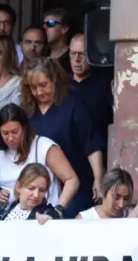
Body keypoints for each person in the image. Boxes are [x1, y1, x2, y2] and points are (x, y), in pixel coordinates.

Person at [21, 57, 104, 216]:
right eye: (33, 87)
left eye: (43, 85)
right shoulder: (27, 112)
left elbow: (91, 143)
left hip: (75, 186)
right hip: (38, 191)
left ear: (55, 79)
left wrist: (98, 178)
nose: (39, 92)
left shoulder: (73, 105)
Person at [0, 104, 78, 213]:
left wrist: (58, 210)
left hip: (44, 216)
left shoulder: (44, 146)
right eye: (5, 133)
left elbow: (72, 180)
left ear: (24, 129)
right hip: (11, 217)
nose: (10, 138)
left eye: (15, 132)